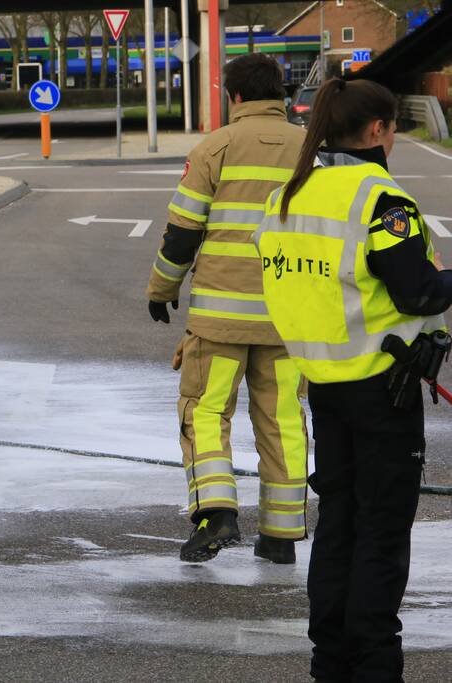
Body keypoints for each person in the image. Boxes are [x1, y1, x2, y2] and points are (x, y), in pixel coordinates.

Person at [254, 77, 452, 683]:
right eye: (392, 128)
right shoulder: (382, 201)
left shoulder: (288, 195)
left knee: (338, 523)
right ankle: (374, 663)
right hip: (382, 390)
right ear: (377, 131)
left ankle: (330, 660)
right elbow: (417, 290)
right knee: (382, 531)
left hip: (325, 387)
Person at [144, 53, 309, 564]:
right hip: (290, 318)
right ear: (278, 92)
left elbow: (182, 232)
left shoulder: (216, 146)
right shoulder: (312, 148)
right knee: (283, 418)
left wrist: (161, 289)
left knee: (207, 410)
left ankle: (217, 512)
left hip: (220, 319)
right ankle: (281, 536)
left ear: (234, 96)